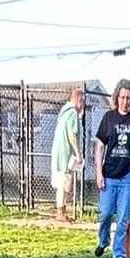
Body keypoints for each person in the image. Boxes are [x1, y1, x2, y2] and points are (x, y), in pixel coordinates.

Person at [94, 79, 130, 258]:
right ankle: (103, 241)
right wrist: (98, 173)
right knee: (105, 213)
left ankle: (119, 252)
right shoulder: (108, 118)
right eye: (122, 97)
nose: (125, 101)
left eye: (128, 98)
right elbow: (100, 146)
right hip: (109, 175)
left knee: (123, 218)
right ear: (117, 97)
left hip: (128, 176)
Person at [50, 85, 84, 222]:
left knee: (62, 183)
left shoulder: (64, 112)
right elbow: (72, 134)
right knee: (63, 184)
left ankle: (61, 210)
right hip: (65, 154)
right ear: (78, 99)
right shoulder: (72, 113)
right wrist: (78, 153)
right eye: (82, 101)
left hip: (58, 152)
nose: (83, 104)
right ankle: (61, 212)